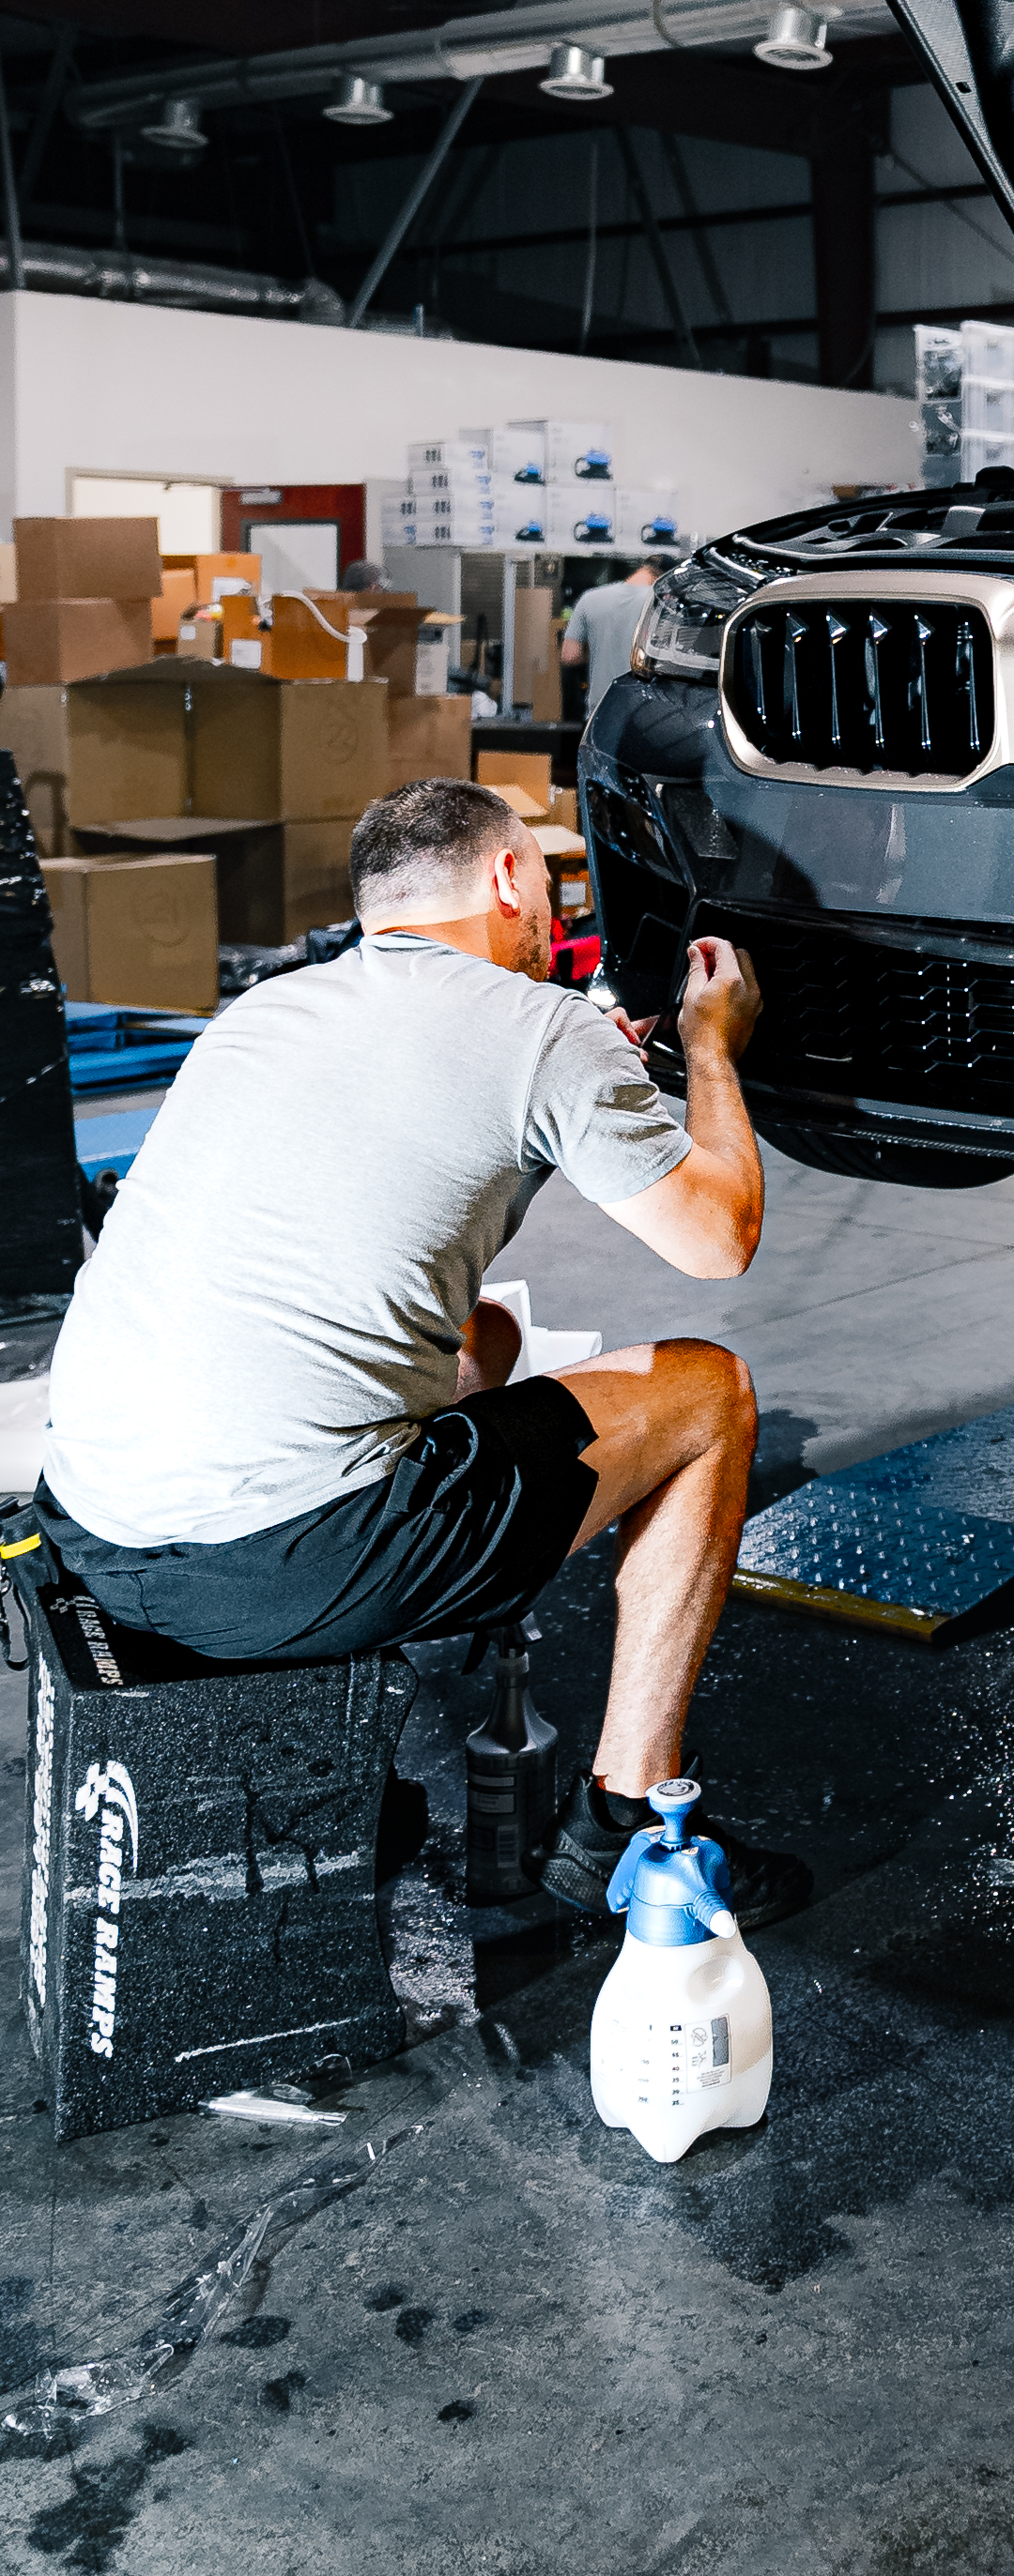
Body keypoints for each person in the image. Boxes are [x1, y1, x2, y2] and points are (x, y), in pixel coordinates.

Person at [32, 777, 807, 1924]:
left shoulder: (263, 1013)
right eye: (546, 892)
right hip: (264, 1559)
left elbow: (416, 1195)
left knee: (485, 1329)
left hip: (92, 1522)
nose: (551, 925)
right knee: (709, 1392)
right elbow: (717, 1235)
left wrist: (567, 1095)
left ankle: (378, 1662)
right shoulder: (540, 1028)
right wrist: (709, 1048)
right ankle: (628, 1819)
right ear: (504, 880)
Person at [562, 549, 676, 726]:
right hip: (644, 713)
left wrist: (600, 652)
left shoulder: (590, 598)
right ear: (664, 579)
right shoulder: (662, 604)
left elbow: (570, 656)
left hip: (600, 711)